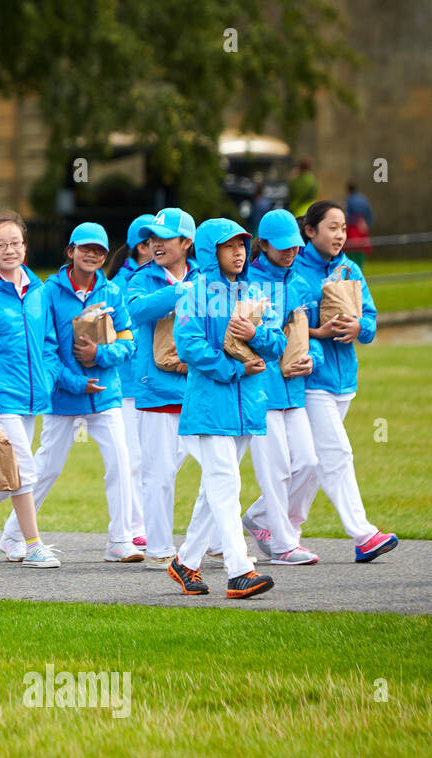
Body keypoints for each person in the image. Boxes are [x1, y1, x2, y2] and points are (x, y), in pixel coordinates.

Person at [0, 223, 141, 562]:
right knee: (46, 467)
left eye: (100, 250)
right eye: (85, 248)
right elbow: (45, 350)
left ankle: (120, 540)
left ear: (106, 255)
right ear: (71, 251)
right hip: (63, 396)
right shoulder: (47, 292)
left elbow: (129, 341)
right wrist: (75, 382)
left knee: (120, 463)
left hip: (105, 394)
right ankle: (13, 535)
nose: (92, 254)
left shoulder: (113, 292)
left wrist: (99, 356)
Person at [168, 218, 283, 599]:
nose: (238, 252)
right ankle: (239, 570)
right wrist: (234, 367)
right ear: (209, 251)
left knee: (214, 488)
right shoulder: (194, 293)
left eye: (241, 245)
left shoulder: (256, 291)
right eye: (228, 245)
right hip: (209, 406)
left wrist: (256, 335)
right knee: (226, 483)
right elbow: (188, 345)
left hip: (248, 405)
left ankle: (185, 562)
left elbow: (277, 344)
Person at [291, 200, 397, 563]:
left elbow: (369, 317)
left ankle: (263, 519)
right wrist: (318, 331)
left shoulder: (350, 269)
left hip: (344, 381)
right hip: (312, 380)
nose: (340, 235)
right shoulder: (295, 272)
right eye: (332, 227)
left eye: (343, 228)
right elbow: (293, 326)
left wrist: (359, 327)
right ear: (310, 231)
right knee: (337, 453)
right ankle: (364, 534)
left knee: (315, 462)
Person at [0, 212, 61, 569]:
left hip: (34, 394)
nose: (9, 250)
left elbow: (49, 342)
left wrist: (49, 375)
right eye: (0, 244)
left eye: (15, 242)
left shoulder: (39, 290)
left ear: (25, 245)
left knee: (9, 476)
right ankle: (33, 543)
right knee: (25, 470)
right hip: (1, 396)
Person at [242, 208, 320, 566]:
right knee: (276, 471)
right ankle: (284, 546)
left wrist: (312, 357)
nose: (291, 251)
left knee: (309, 464)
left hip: (294, 389)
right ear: (264, 244)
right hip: (259, 390)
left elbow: (309, 333)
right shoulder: (246, 283)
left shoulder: (299, 282)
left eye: (295, 245)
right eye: (283, 246)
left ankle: (269, 523)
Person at [124, 208, 198, 568]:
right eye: (151, 238)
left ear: (186, 243)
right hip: (157, 389)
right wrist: (181, 292)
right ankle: (159, 548)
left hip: (198, 388)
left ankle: (211, 541)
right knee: (159, 473)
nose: (155, 244)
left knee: (218, 469)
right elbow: (136, 311)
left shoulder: (204, 275)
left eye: (164, 238)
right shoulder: (142, 278)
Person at [108, 213, 156, 549]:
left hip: (153, 381)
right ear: (142, 246)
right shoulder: (122, 285)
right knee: (133, 459)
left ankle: (145, 522)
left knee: (163, 454)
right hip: (127, 383)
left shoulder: (160, 278)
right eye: (156, 241)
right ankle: (135, 525)